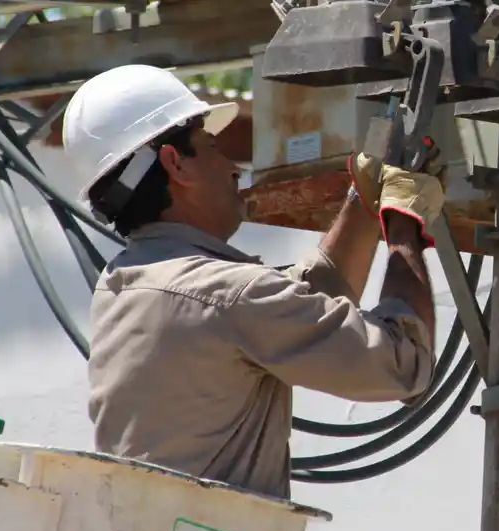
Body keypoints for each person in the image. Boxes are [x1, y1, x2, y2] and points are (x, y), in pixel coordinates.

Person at [59, 64, 445, 499]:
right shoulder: (226, 296)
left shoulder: (125, 286)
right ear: (175, 163)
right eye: (211, 147)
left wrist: (367, 197)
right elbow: (404, 365)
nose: (234, 168)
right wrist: (404, 223)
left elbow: (303, 302)